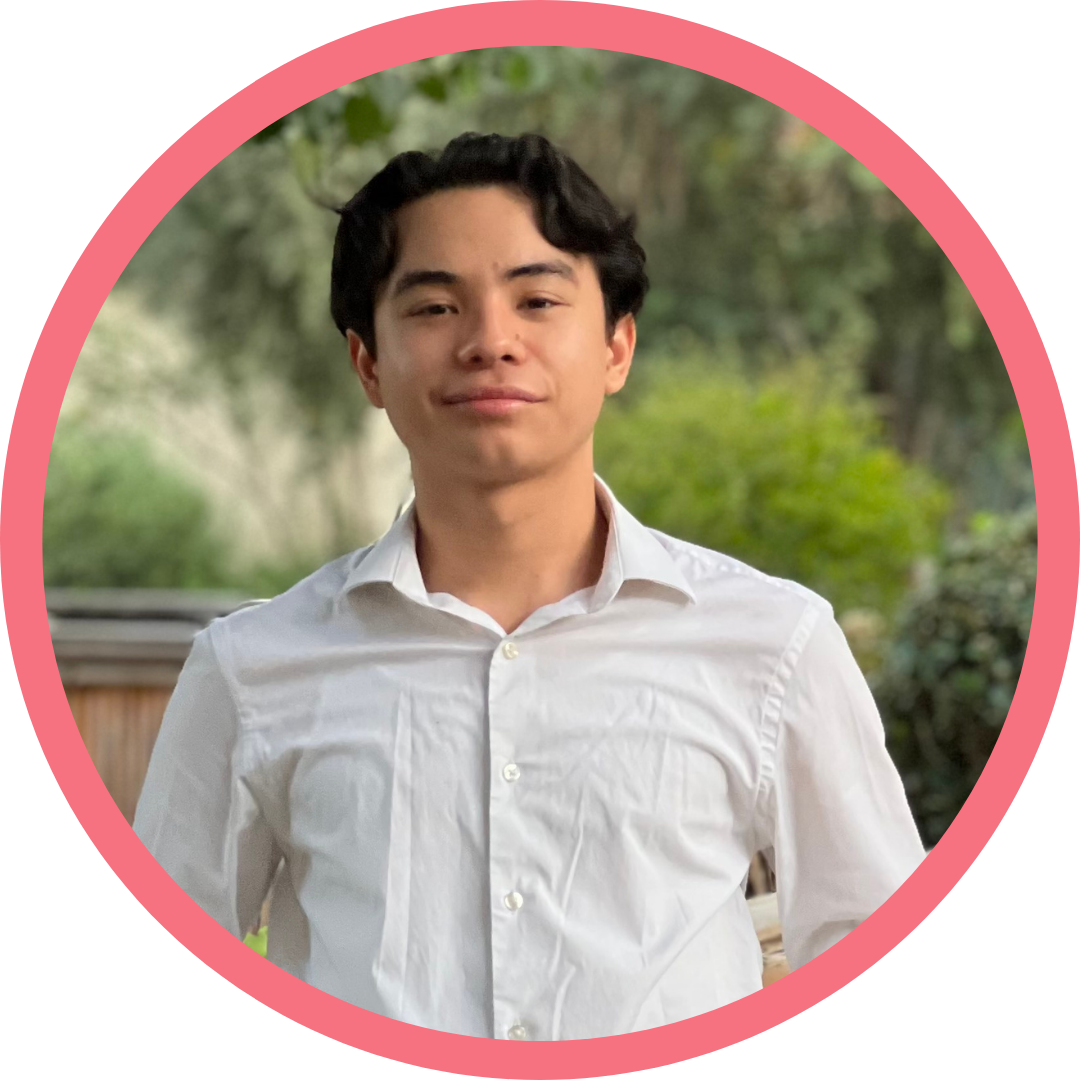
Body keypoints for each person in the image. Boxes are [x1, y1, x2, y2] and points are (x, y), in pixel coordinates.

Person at [133, 132, 927, 1040]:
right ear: (369, 365)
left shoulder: (774, 643)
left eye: (538, 299)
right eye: (434, 307)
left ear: (617, 349)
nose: (489, 343)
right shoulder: (250, 669)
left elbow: (869, 934)